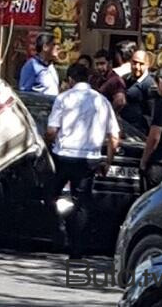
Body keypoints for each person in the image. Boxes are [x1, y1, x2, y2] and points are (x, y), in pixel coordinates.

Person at [46, 64, 120, 259]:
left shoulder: (63, 99)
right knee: (82, 202)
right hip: (89, 159)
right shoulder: (102, 101)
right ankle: (77, 248)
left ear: (70, 79)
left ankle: (59, 230)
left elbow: (52, 131)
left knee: (50, 194)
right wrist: (108, 162)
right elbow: (114, 137)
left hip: (64, 156)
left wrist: (47, 145)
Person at [120, 50, 157, 135]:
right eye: (134, 63)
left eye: (141, 64)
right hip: (123, 128)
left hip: (139, 132)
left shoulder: (149, 84)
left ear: (147, 64)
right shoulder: (125, 78)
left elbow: (152, 113)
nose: (137, 67)